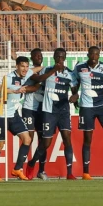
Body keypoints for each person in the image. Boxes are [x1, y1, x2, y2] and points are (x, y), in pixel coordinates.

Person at [25, 48, 79, 180]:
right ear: (54, 57)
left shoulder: (70, 74)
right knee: (46, 143)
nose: (60, 59)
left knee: (67, 138)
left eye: (62, 57)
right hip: (49, 111)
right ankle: (32, 164)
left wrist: (75, 97)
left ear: (64, 58)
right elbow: (37, 79)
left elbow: (74, 92)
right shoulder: (46, 70)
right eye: (57, 57)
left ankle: (70, 173)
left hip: (64, 111)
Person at [73, 46, 103, 180]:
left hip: (102, 106)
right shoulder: (80, 67)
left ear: (99, 56)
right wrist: (75, 94)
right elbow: (75, 83)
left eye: (96, 54)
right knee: (88, 138)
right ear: (88, 54)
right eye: (92, 54)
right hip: (86, 107)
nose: (94, 57)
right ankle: (86, 173)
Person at [0, 56, 42, 181]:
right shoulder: (9, 78)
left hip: (13, 115)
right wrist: (13, 91)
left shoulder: (26, 73)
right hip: (1, 115)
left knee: (27, 139)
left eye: (26, 66)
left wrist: (48, 67)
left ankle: (17, 169)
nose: (25, 69)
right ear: (17, 66)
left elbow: (36, 69)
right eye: (22, 66)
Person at [21, 48, 49, 180]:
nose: (39, 57)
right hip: (29, 109)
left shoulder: (46, 71)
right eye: (36, 56)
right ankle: (20, 169)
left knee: (43, 140)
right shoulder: (30, 72)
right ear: (32, 58)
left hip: (42, 109)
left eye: (40, 55)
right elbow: (38, 80)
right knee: (29, 139)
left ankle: (41, 170)